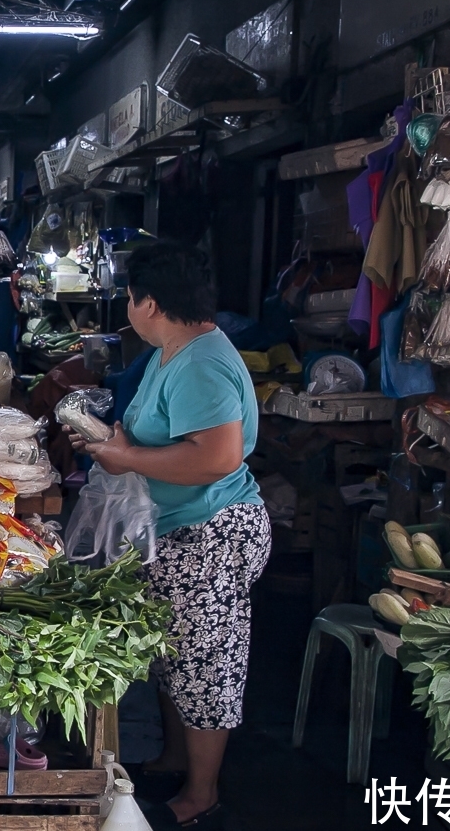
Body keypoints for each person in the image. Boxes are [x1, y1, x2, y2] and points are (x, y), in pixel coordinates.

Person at [67, 240, 269, 831]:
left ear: (149, 302)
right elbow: (155, 438)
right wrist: (111, 444)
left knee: (206, 663)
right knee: (172, 657)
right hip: (176, 531)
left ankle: (201, 793)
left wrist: (125, 460)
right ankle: (175, 758)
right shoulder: (171, 350)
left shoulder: (202, 362)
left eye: (128, 299)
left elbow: (216, 458)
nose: (127, 308)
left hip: (212, 531)